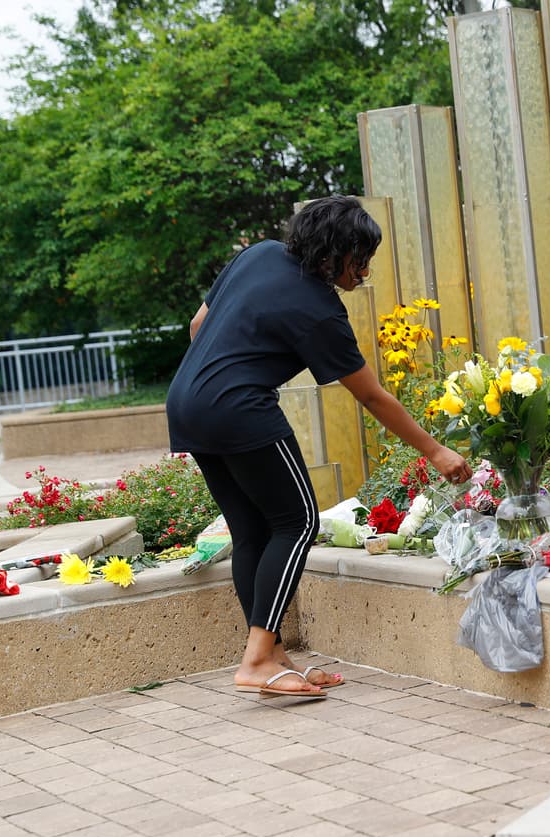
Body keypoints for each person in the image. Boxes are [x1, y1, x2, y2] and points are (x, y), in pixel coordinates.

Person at [166, 195, 471, 699]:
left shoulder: (258, 253)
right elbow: (371, 395)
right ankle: (258, 659)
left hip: (186, 400)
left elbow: (199, 327)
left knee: (253, 530)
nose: (366, 271)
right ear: (335, 251)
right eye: (361, 258)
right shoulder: (319, 309)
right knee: (300, 521)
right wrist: (436, 451)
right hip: (238, 407)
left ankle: (271, 654)